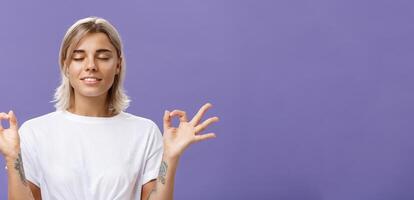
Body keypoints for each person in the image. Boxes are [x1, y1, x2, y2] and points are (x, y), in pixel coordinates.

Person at [0, 16, 219, 200]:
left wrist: (170, 158)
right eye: (78, 57)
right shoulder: (35, 132)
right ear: (66, 66)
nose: (91, 65)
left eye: (103, 57)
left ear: (118, 65)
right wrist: (12, 157)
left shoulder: (144, 131)